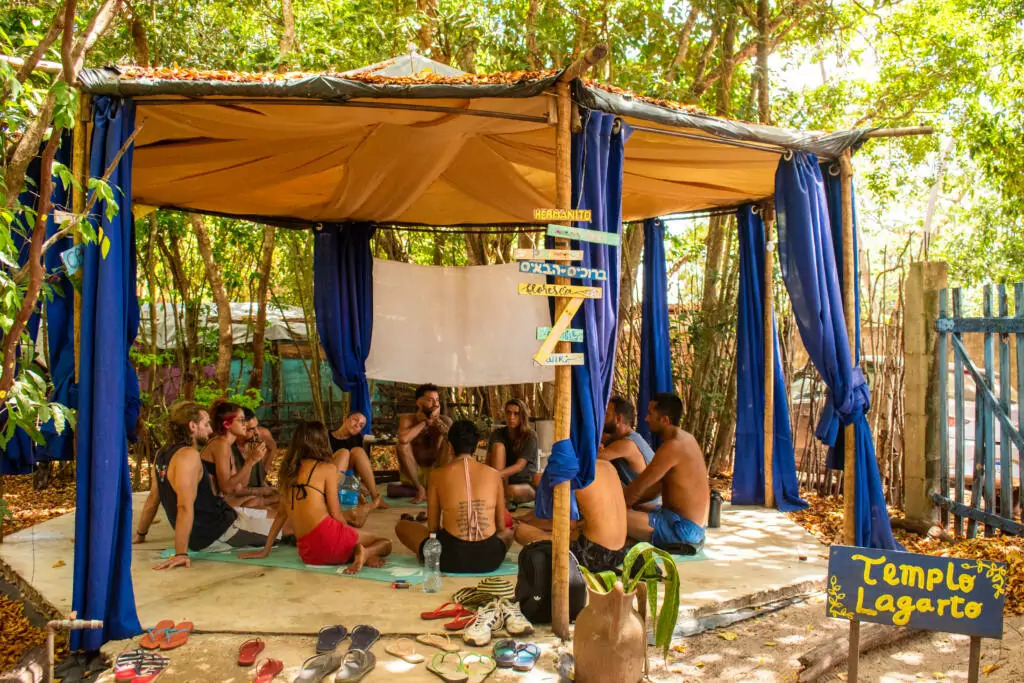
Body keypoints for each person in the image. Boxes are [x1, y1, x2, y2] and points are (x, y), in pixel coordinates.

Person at [239, 422, 391, 573]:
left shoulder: (287, 473)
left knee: (347, 540)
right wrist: (349, 536)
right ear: (322, 441)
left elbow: (280, 515)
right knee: (385, 543)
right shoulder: (327, 469)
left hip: (309, 554)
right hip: (330, 538)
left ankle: (358, 553)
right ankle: (365, 553)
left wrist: (265, 551)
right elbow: (336, 514)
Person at [152, 402, 275, 569]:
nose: (210, 430)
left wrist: (141, 533)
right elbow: (184, 506)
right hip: (218, 531)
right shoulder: (189, 455)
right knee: (290, 527)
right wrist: (181, 553)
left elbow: (153, 499)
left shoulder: (162, 454)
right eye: (206, 424)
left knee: (279, 515)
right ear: (192, 426)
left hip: (219, 522)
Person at [395, 420, 513, 573]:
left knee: (402, 526)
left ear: (450, 447)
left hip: (448, 559)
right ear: (476, 446)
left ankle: (425, 556)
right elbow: (501, 527)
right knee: (510, 533)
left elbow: (433, 527)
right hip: (490, 559)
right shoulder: (495, 475)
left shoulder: (436, 475)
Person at [624, 392, 709, 552]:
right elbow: (655, 489)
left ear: (665, 420)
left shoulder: (672, 447)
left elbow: (636, 490)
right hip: (693, 527)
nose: (646, 419)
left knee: (610, 515)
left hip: (683, 530)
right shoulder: (688, 439)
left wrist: (612, 503)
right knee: (634, 508)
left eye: (650, 414)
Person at [514, 459, 628, 573]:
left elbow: (567, 526)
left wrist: (532, 523)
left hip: (593, 556)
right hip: (619, 554)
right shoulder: (608, 466)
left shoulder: (571, 470)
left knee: (521, 531)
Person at [201, 400, 284, 537]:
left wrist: (252, 460)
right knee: (283, 516)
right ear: (227, 424)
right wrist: (251, 461)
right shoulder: (220, 445)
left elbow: (240, 486)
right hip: (215, 513)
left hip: (225, 505)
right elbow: (227, 489)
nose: (245, 424)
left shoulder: (225, 445)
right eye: (241, 421)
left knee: (278, 503)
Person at [393, 383, 452, 504]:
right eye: (430, 400)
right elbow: (403, 440)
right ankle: (420, 488)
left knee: (449, 443)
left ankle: (432, 488)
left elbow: (455, 441)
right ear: (419, 403)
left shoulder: (445, 420)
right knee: (402, 445)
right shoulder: (407, 419)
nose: (436, 404)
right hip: (413, 475)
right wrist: (425, 422)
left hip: (436, 472)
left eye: (437, 400)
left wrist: (436, 421)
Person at [486, 399, 540, 503]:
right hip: (502, 480)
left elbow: (519, 466)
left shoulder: (530, 436)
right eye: (508, 413)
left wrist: (495, 475)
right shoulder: (497, 433)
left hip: (524, 483)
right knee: (498, 447)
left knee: (510, 491)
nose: (511, 417)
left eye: (516, 414)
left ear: (522, 416)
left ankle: (500, 495)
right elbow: (488, 461)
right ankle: (499, 493)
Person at [330, 411, 387, 509]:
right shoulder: (327, 435)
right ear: (345, 419)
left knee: (358, 451)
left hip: (349, 479)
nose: (357, 425)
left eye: (361, 425)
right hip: (331, 479)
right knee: (344, 453)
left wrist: (360, 484)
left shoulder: (357, 439)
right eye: (355, 420)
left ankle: (375, 497)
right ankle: (333, 497)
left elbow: (359, 467)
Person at [600, 396, 656, 489]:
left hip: (645, 503)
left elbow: (591, 460)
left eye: (606, 414)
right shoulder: (618, 438)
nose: (601, 419)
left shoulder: (628, 444)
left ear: (618, 419)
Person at [229, 407, 279, 508]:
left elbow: (272, 446)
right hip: (242, 502)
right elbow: (236, 490)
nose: (257, 432)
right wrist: (263, 491)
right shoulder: (229, 450)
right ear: (240, 428)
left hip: (257, 495)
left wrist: (264, 473)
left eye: (257, 427)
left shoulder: (254, 442)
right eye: (251, 429)